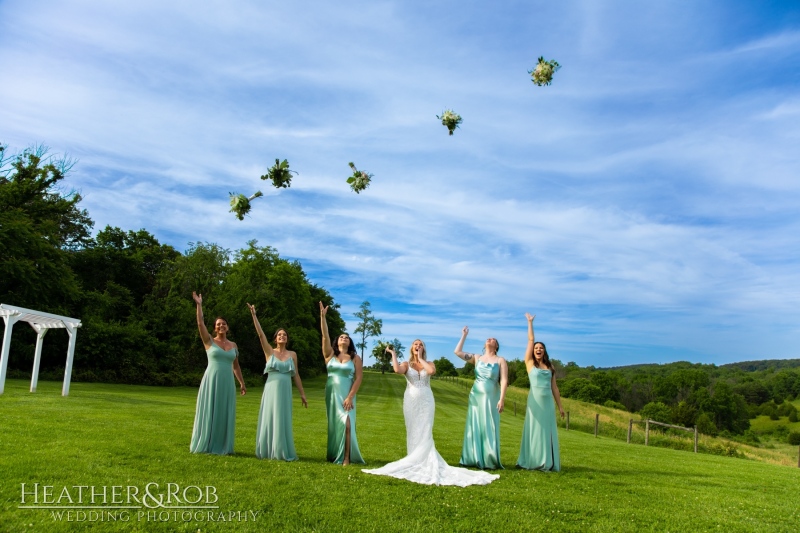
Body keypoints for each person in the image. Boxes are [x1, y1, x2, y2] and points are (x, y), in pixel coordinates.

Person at [363, 341, 499, 486]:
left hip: (427, 401)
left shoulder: (430, 363)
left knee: (425, 430)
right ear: (412, 348)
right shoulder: (406, 364)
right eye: (415, 344)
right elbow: (397, 370)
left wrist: (421, 357)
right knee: (413, 430)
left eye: (420, 344)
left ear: (423, 348)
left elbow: (431, 372)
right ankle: (413, 459)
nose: (418, 345)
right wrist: (393, 355)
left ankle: (426, 459)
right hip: (411, 401)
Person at [189, 291, 246, 455]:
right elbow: (200, 323)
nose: (221, 326)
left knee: (224, 412)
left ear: (227, 327)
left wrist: (241, 383)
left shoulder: (234, 345)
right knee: (209, 410)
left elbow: (236, 366)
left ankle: (222, 445)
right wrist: (199, 305)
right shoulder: (209, 341)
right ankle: (206, 443)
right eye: (218, 324)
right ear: (215, 328)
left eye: (224, 324)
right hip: (211, 379)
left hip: (227, 382)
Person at [249, 304, 307, 461]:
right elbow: (261, 335)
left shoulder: (292, 354)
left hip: (285, 389)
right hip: (271, 388)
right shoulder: (269, 351)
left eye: (285, 335)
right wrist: (254, 315)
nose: (282, 336)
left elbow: (296, 375)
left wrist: (302, 394)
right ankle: (268, 449)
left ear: (287, 339)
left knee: (282, 417)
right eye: (279, 335)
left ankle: (281, 449)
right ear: (275, 338)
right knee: (270, 416)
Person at [453, 326, 507, 469]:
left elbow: (504, 380)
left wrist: (502, 399)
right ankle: (472, 457)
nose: (490, 339)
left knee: (489, 424)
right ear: (484, 345)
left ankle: (490, 458)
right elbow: (457, 352)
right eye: (488, 339)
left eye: (493, 339)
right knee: (474, 424)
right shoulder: (477, 357)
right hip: (476, 395)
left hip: (492, 396)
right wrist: (463, 335)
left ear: (496, 346)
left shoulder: (500, 360)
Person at [517, 312, 565, 471]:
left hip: (547, 404)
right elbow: (530, 340)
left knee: (546, 430)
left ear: (544, 351)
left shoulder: (551, 367)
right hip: (534, 402)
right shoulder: (530, 363)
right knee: (535, 429)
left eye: (541, 348)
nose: (538, 349)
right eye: (536, 348)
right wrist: (530, 322)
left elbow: (555, 388)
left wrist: (560, 407)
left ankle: (547, 461)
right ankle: (532, 460)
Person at [319, 302, 365, 465]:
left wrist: (350, 397)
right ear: (337, 341)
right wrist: (323, 317)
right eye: (341, 336)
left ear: (349, 342)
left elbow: (359, 378)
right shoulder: (329, 355)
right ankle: (334, 453)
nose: (344, 338)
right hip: (331, 393)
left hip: (347, 393)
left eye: (347, 337)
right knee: (335, 425)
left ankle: (346, 457)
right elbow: (325, 336)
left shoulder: (355, 358)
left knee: (347, 423)